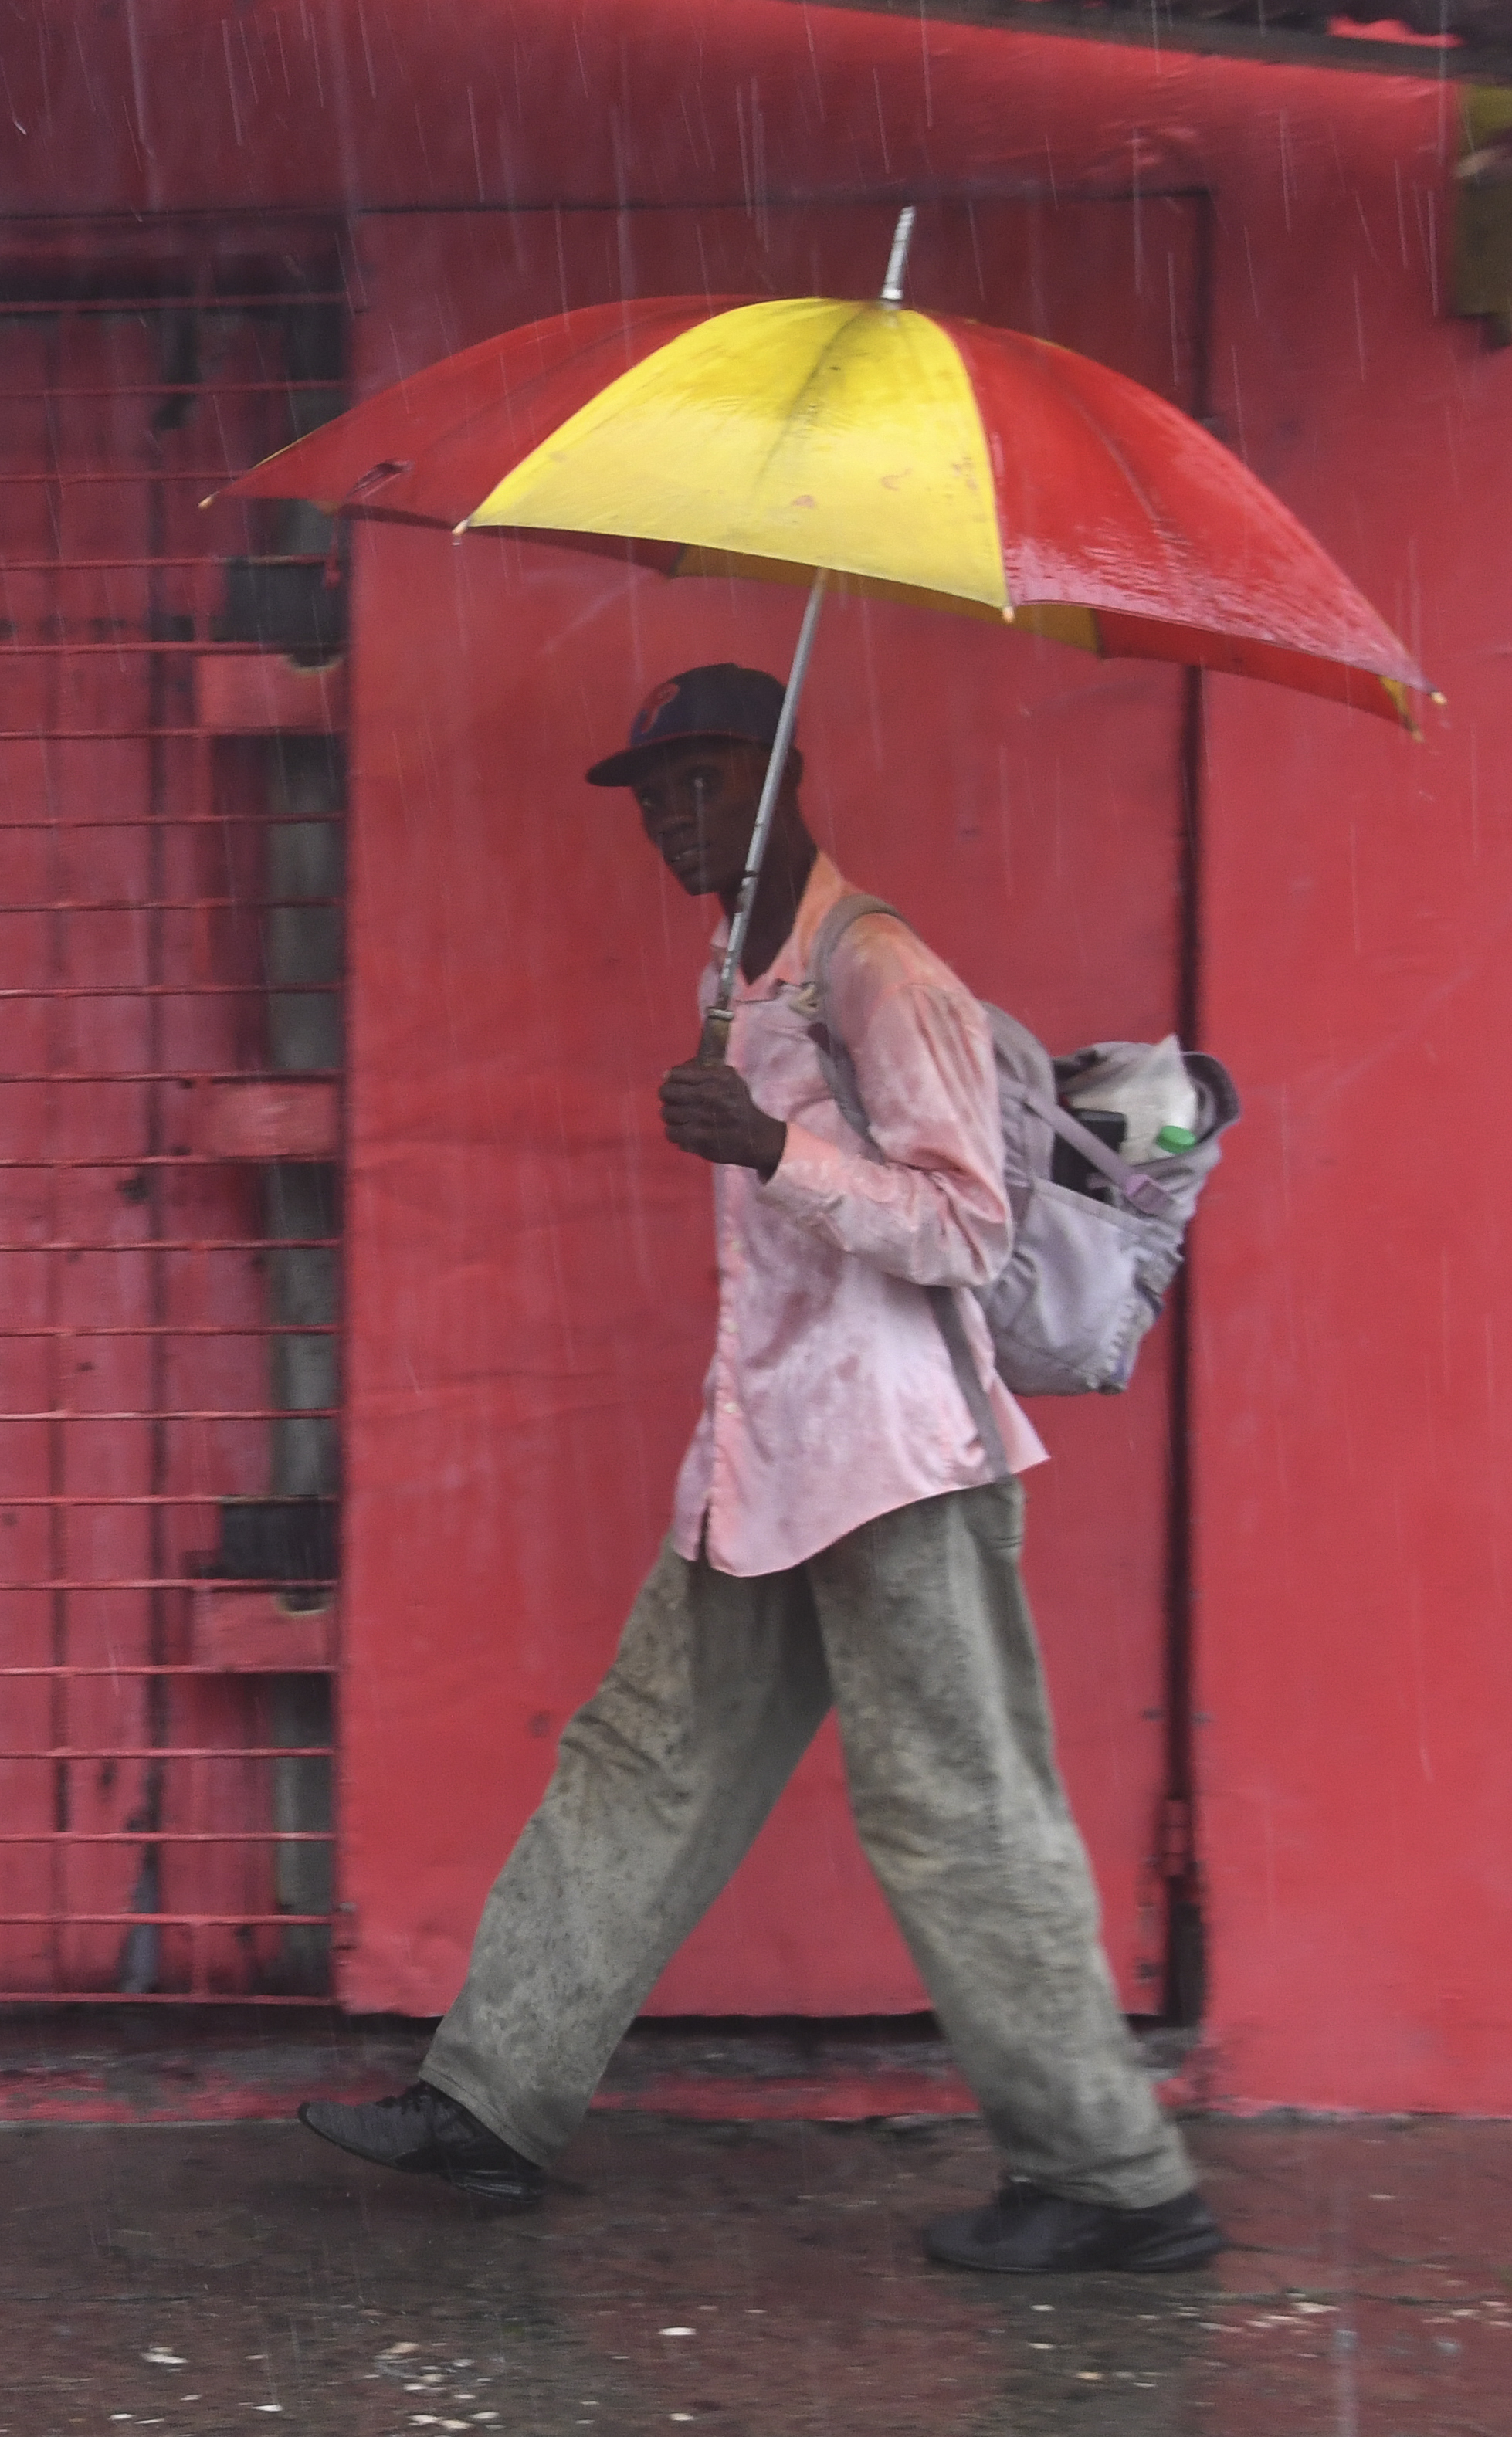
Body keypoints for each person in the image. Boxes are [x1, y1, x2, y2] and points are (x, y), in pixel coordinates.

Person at [299, 666, 1225, 2276]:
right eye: (654, 798)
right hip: (774, 1454)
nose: (672, 820)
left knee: (960, 1810)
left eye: (701, 786)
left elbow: (963, 1228)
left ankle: (1117, 2182)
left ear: (786, 777)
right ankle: (493, 2100)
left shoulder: (884, 975)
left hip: (897, 1465)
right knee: (644, 1760)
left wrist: (769, 1148)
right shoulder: (755, 971)